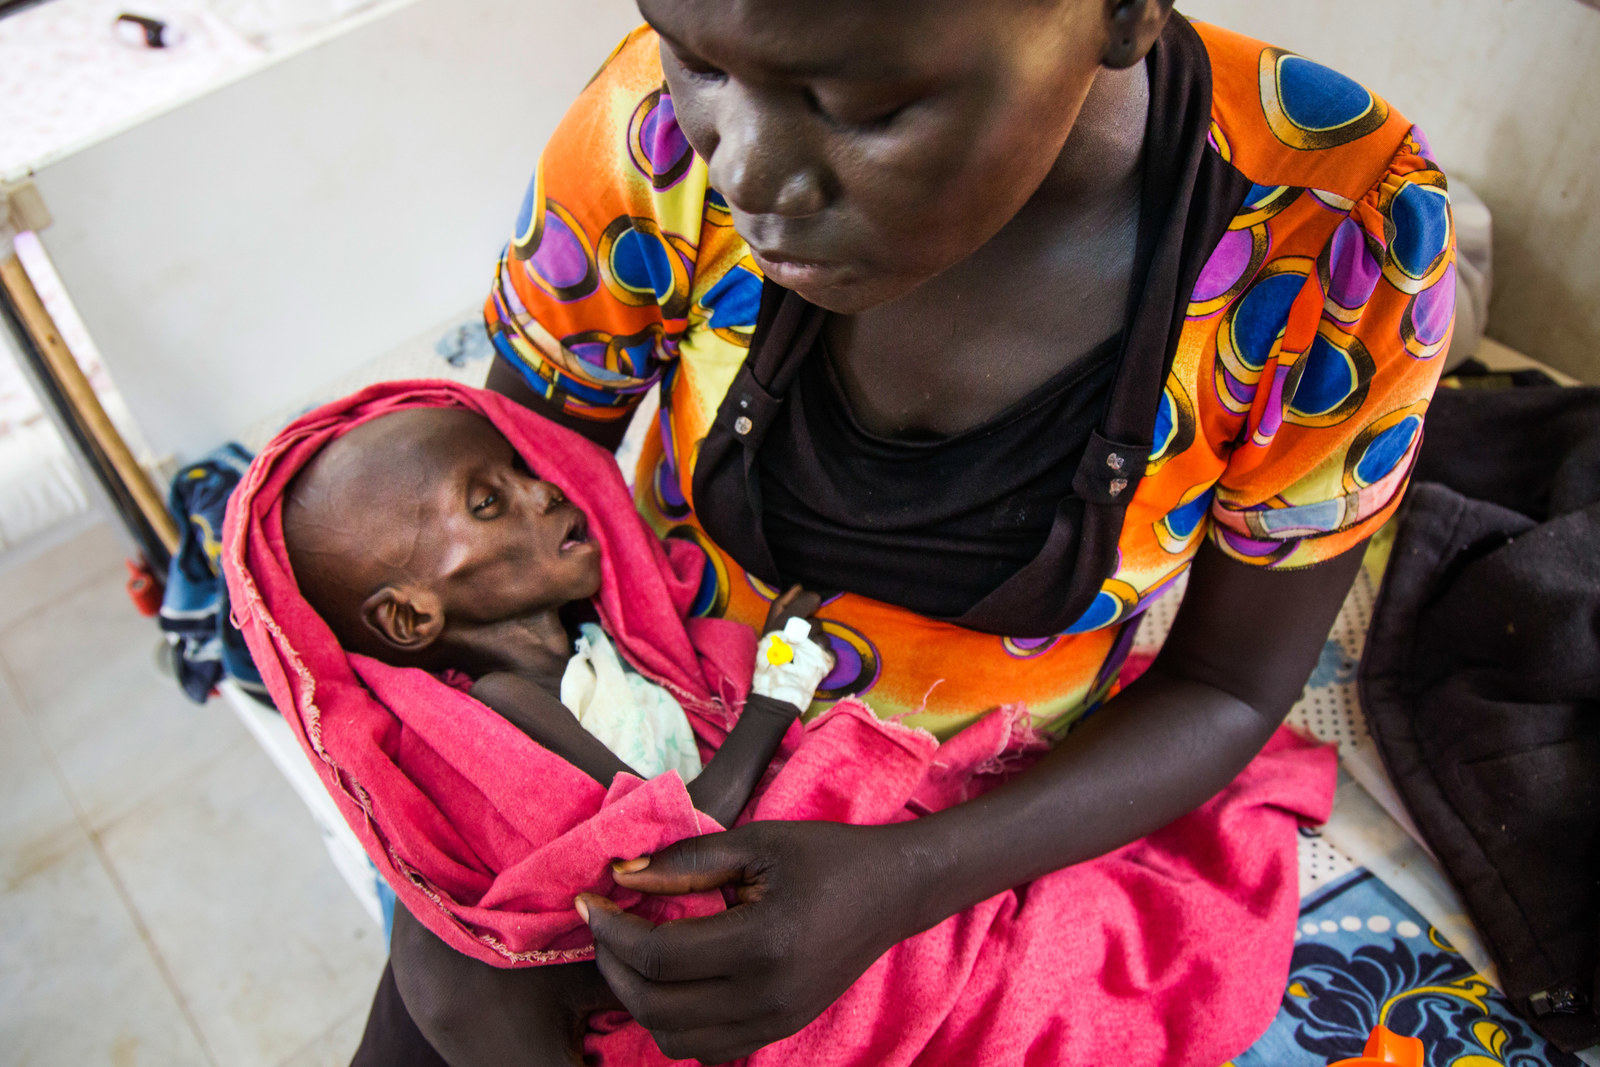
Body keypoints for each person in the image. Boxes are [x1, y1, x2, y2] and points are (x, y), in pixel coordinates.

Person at [361, 0, 1455, 1061]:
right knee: (445, 1003)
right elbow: (490, 485)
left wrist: (912, 874)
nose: (743, 171)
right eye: (698, 60)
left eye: (862, 105)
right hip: (642, 716)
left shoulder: (1332, 235)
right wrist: (455, 856)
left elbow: (1226, 684)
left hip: (980, 809)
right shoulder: (651, 128)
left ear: (1123, 12)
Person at [281, 404, 832, 831]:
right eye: (487, 504)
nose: (543, 491)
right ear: (409, 616)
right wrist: (779, 685)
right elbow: (689, 829)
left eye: (520, 470)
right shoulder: (510, 700)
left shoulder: (603, 640)